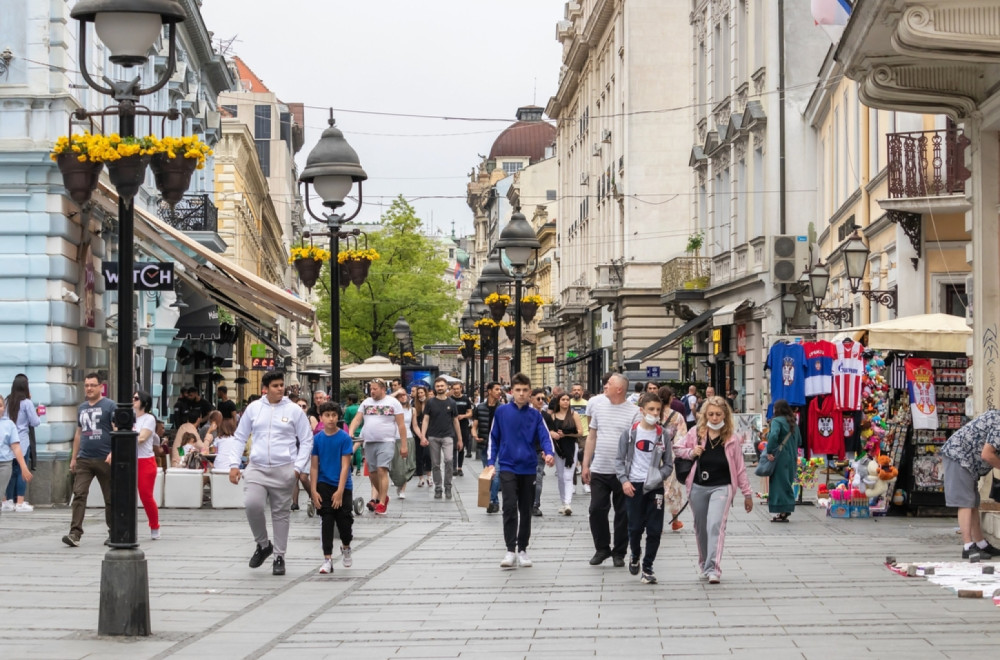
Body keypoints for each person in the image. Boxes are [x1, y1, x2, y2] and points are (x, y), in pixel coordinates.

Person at [229, 371, 313, 576]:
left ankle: (279, 556)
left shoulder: (294, 410)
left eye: (281, 385)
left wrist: (298, 467)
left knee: (281, 513)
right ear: (265, 388)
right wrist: (233, 464)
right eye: (275, 385)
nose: (280, 388)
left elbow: (307, 439)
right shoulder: (254, 408)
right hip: (257, 467)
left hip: (284, 467)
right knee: (252, 505)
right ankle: (263, 544)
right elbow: (240, 437)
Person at [675, 396, 753, 584]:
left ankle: (713, 569)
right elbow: (677, 448)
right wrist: (691, 452)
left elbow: (740, 468)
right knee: (701, 528)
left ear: (725, 415)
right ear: (705, 415)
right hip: (698, 487)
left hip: (722, 487)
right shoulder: (696, 433)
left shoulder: (732, 439)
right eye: (711, 414)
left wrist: (747, 493)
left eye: (718, 414)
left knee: (715, 525)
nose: (715, 418)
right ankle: (704, 564)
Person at [488, 373, 555, 569]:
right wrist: (491, 462)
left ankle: (523, 549)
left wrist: (548, 453)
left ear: (529, 392)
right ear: (512, 391)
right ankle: (510, 550)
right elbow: (494, 438)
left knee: (525, 510)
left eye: (525, 390)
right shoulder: (501, 412)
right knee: (509, 507)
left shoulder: (536, 415)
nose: (521, 394)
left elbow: (544, 436)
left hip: (528, 467)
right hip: (508, 466)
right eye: (518, 390)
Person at [582, 374, 640, 567]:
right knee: (596, 509)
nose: (605, 385)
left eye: (609, 384)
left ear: (620, 389)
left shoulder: (634, 412)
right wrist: (585, 464)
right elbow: (592, 436)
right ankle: (602, 548)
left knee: (623, 513)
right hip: (600, 468)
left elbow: (637, 443)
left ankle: (619, 552)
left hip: (623, 472)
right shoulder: (599, 407)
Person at [616, 393, 674, 584]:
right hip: (634, 485)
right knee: (634, 527)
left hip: (654, 486)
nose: (655, 413)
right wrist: (624, 481)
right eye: (651, 409)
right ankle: (634, 554)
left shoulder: (663, 435)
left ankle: (648, 567)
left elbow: (668, 464)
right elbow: (619, 460)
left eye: (658, 410)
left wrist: (659, 476)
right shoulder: (630, 434)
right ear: (642, 410)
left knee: (655, 529)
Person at [62, 373, 115, 547]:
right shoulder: (82, 407)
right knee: (79, 494)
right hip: (84, 458)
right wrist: (74, 457)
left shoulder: (109, 406)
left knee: (110, 497)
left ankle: (114, 532)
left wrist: (114, 452)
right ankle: (75, 533)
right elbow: (78, 433)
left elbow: (117, 430)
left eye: (93, 385)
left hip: (104, 458)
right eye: (86, 385)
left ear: (101, 387)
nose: (89, 388)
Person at [940, 410, 1000, 561]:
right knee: (965, 502)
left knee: (972, 501)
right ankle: (968, 546)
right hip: (959, 456)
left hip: (967, 459)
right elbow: (987, 454)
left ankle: (980, 543)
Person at [349, 378, 407, 515]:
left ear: (383, 389)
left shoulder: (393, 403)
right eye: (371, 389)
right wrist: (350, 432)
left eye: (375, 389)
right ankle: (383, 496)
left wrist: (404, 445)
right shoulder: (366, 402)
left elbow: (401, 424)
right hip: (369, 441)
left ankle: (381, 503)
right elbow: (357, 419)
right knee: (372, 472)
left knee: (382, 469)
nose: (372, 391)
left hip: (386, 441)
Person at [309, 402, 354, 574]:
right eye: (327, 415)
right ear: (321, 418)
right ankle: (327, 558)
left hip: (343, 485)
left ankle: (346, 546)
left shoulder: (344, 438)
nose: (331, 418)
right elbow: (314, 466)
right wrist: (313, 490)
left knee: (344, 522)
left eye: (334, 415)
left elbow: (345, 466)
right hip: (323, 484)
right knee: (326, 520)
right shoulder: (317, 439)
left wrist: (340, 491)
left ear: (338, 417)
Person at [2, 374, 41, 512]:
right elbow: (35, 422)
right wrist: (38, 413)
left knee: (10, 472)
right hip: (22, 441)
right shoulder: (27, 403)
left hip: (8, 442)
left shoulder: (7, 400)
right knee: (22, 471)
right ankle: (20, 501)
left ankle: (8, 501)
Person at [420, 376, 462, 500]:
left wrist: (460, 439)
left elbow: (455, 421)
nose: (440, 388)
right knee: (435, 464)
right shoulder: (430, 402)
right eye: (437, 386)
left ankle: (448, 486)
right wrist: (423, 436)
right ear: (435, 387)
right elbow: (426, 419)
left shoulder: (452, 402)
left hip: (448, 436)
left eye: (442, 386)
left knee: (449, 460)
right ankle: (438, 487)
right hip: (433, 436)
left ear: (446, 387)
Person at [657, 387, 689, 532]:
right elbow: (682, 438)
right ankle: (675, 520)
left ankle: (655, 515)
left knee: (655, 485)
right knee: (672, 487)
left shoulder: (654, 414)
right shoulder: (677, 417)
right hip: (670, 455)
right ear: (670, 398)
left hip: (653, 454)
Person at [766, 400, 801, 523]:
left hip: (780, 457)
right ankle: (786, 509)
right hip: (792, 457)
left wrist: (769, 450)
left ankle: (783, 509)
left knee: (778, 483)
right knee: (787, 482)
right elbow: (800, 441)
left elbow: (774, 435)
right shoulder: (793, 423)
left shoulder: (776, 421)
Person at [547, 392, 582, 516]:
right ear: (558, 402)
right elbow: (549, 431)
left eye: (568, 399)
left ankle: (568, 503)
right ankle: (563, 502)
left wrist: (566, 434)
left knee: (568, 475)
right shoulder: (553, 416)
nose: (566, 402)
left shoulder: (574, 415)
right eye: (563, 399)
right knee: (561, 476)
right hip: (558, 449)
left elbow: (580, 432)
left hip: (571, 447)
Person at [132, 390, 161, 540]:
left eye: (136, 398)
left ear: (144, 402)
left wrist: (125, 436)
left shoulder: (148, 418)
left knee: (145, 495)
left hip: (145, 461)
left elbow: (142, 438)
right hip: (130, 460)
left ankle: (154, 525)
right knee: (125, 495)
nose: (133, 400)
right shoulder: (128, 417)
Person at [0, 397, 32, 523]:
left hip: (4, 465)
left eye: (1, 405)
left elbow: (16, 447)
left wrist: (24, 468)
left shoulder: (9, 424)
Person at [472, 381, 503, 512]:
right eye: (496, 389)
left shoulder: (503, 408)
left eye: (500, 390)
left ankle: (493, 501)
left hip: (499, 446)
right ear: (489, 391)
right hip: (484, 444)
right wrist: (475, 436)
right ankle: (493, 500)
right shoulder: (479, 408)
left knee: (495, 472)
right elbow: (474, 427)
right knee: (489, 473)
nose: (499, 392)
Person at [289, 399, 316, 517]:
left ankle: (313, 496)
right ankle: (294, 503)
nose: (301, 408)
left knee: (303, 477)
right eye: (298, 406)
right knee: (294, 476)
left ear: (307, 408)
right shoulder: (291, 419)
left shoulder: (310, 418)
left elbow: (316, 433)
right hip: (293, 450)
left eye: (303, 406)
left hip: (307, 451)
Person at [391, 389, 416, 500]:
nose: (403, 397)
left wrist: (422, 437)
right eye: (400, 396)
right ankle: (398, 484)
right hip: (394, 438)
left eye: (404, 395)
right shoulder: (392, 410)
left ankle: (402, 489)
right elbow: (385, 400)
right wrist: (396, 393)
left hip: (408, 438)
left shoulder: (412, 410)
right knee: (396, 466)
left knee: (407, 465)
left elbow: (414, 426)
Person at [530, 389, 549, 516]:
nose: (541, 401)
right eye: (538, 398)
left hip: (539, 452)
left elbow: (549, 435)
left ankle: (535, 505)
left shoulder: (546, 416)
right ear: (531, 399)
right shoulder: (526, 414)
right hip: (524, 452)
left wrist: (547, 451)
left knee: (538, 479)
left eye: (543, 399)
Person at [451, 382, 474, 470]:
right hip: (452, 425)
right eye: (454, 389)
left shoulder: (466, 399)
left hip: (463, 425)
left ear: (461, 389)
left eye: (458, 388)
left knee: (461, 446)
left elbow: (470, 413)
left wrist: (463, 416)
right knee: (453, 447)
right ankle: (453, 467)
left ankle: (459, 467)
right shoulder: (450, 399)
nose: (456, 390)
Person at [413, 386, 431, 488]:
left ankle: (429, 476)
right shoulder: (414, 404)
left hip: (429, 432)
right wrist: (420, 435)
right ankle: (421, 478)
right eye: (418, 393)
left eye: (422, 393)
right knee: (419, 456)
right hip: (418, 433)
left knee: (428, 455)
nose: (420, 395)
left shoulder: (430, 403)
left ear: (425, 393)